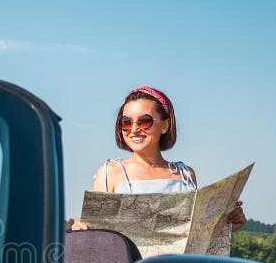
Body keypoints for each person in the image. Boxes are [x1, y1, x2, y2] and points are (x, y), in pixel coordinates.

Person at [71, 86, 246, 231]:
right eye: (126, 122)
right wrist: (82, 231)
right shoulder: (110, 172)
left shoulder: (185, 175)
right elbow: (99, 238)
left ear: (164, 125)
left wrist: (228, 223)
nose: (134, 129)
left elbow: (196, 236)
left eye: (144, 121)